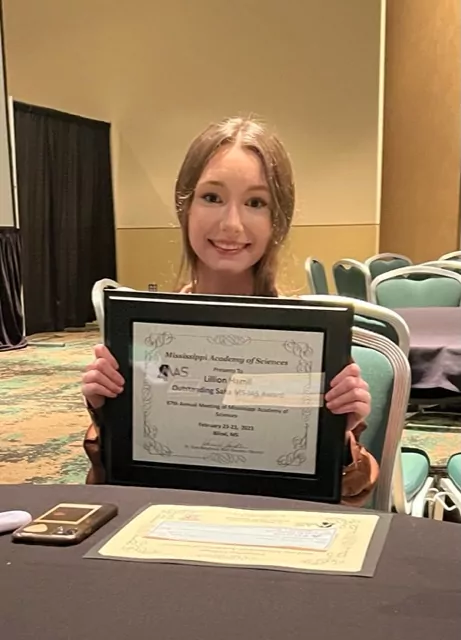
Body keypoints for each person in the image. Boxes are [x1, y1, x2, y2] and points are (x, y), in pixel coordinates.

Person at [82, 116, 379, 505]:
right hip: (168, 523)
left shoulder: (310, 344)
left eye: (256, 203)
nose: (232, 224)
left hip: (270, 529)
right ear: (185, 207)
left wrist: (339, 433)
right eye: (212, 197)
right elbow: (108, 490)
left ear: (277, 221)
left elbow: (353, 496)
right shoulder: (147, 339)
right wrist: (107, 412)